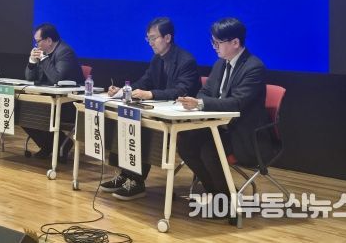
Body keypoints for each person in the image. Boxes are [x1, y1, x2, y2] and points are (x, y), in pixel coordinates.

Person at [177, 17, 271, 209]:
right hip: (219, 128)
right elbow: (204, 91)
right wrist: (198, 101)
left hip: (243, 134)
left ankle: (226, 201)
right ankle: (218, 194)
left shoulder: (254, 67)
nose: (214, 47)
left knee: (209, 149)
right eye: (213, 42)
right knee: (186, 143)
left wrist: (200, 104)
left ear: (235, 42)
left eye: (218, 42)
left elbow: (237, 103)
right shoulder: (220, 64)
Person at [103, 17, 201, 200]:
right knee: (124, 120)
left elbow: (181, 91)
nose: (150, 43)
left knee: (143, 127)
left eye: (153, 38)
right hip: (161, 113)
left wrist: (151, 94)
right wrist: (124, 91)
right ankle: (124, 175)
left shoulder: (186, 60)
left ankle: (136, 181)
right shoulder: (157, 59)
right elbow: (144, 81)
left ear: (167, 38)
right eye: (148, 38)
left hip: (183, 120)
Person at [24, 23, 84, 159]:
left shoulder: (65, 52)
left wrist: (43, 59)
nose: (36, 45)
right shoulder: (44, 53)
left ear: (49, 40)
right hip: (50, 100)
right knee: (22, 110)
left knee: (32, 111)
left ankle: (60, 144)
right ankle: (51, 146)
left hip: (69, 104)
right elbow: (29, 78)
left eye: (38, 41)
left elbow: (57, 79)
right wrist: (32, 61)